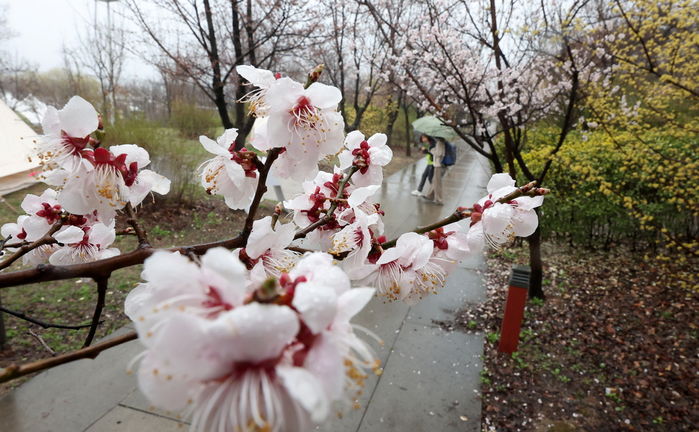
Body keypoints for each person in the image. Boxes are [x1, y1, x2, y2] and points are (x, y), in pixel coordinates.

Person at [423, 137, 446, 205]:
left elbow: (439, 153)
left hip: (438, 165)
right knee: (434, 181)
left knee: (437, 183)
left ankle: (439, 199)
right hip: (437, 164)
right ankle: (430, 195)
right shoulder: (441, 142)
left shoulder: (439, 143)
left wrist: (432, 150)